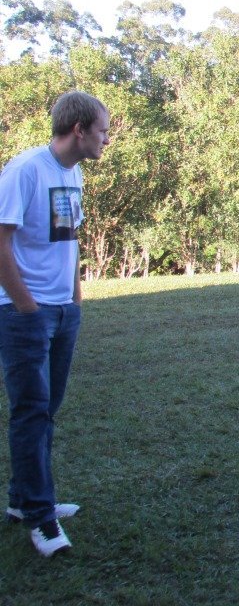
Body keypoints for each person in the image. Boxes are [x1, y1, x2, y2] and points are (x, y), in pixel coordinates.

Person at [0, 90, 111, 557]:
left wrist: (75, 297)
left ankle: (23, 501)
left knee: (45, 411)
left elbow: (70, 238)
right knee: (31, 412)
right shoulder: (25, 170)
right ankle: (41, 519)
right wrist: (26, 306)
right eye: (103, 131)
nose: (107, 139)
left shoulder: (74, 172)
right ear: (79, 130)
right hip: (24, 313)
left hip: (64, 310)